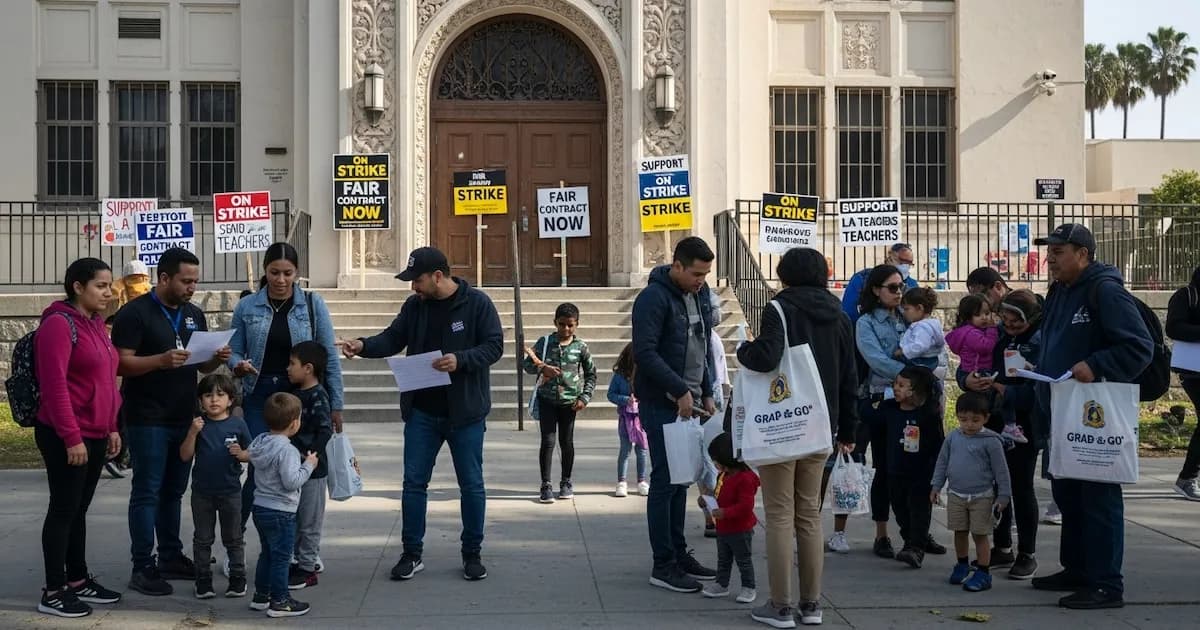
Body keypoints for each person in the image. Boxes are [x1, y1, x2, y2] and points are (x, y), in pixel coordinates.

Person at [340, 247, 503, 583]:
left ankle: (472, 552)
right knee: (414, 484)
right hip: (422, 413)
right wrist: (363, 345)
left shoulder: (477, 304)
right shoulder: (415, 306)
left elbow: (494, 346)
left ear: (438, 277)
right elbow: (393, 338)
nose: (412, 286)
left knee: (471, 485)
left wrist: (461, 360)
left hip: (465, 414)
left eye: (417, 280)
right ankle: (411, 553)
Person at [1027, 224, 1152, 610]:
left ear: (1082, 253)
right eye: (1049, 250)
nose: (1050, 258)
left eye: (1059, 251)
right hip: (1061, 412)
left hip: (1092, 416)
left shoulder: (1106, 291)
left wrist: (1096, 364)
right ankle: (1078, 569)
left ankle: (1105, 584)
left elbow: (1138, 347)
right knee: (1069, 496)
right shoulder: (1060, 290)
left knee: (1098, 499)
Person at [736, 247, 858, 627]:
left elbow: (767, 357)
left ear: (785, 273)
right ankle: (812, 604)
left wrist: (744, 348)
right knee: (809, 515)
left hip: (783, 422)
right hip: (823, 424)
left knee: (778, 515)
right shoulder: (839, 314)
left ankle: (780, 605)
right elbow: (850, 376)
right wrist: (848, 429)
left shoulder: (779, 308)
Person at [112, 247, 231, 596]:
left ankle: (170, 555)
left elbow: (200, 366)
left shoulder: (194, 314)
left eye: (195, 281)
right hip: (147, 416)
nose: (192, 287)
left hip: (184, 415)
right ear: (164, 278)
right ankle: (142, 565)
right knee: (147, 491)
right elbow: (120, 364)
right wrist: (160, 360)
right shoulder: (135, 313)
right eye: (186, 281)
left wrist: (215, 358)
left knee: (174, 492)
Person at [228, 242, 344, 533]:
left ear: (297, 273)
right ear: (265, 271)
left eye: (287, 273)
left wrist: (336, 403)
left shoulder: (313, 305)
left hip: (299, 396)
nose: (280, 280)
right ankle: (235, 542)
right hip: (259, 392)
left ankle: (294, 543)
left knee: (298, 469)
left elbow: (327, 356)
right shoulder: (247, 306)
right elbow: (233, 350)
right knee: (259, 466)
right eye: (274, 272)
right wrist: (237, 364)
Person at [34, 258, 123, 618]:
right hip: (65, 434)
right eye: (101, 285)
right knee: (63, 509)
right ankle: (53, 590)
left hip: (96, 431)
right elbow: (54, 387)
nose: (109, 292)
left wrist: (112, 426)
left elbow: (106, 380)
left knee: (79, 510)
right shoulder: (58, 324)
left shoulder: (97, 325)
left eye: (109, 285)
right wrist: (72, 437)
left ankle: (77, 579)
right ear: (78, 287)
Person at [631, 236, 719, 593]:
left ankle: (679, 553)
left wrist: (708, 389)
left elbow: (703, 344)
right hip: (662, 403)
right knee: (665, 481)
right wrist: (679, 389)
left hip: (692, 403)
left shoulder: (697, 295)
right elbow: (645, 352)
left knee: (682, 480)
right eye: (697, 273)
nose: (702, 280)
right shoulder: (653, 298)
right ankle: (663, 563)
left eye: (706, 274)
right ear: (677, 265)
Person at [986, 289, 1045, 579]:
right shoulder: (1003, 338)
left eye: (1015, 322)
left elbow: (1038, 389)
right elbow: (994, 368)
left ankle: (1027, 553)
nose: (1008, 325)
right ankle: (1002, 546)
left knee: (1021, 487)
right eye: (1004, 319)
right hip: (999, 417)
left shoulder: (1040, 342)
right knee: (998, 484)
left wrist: (1007, 391)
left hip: (1025, 423)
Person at [854, 265, 910, 559]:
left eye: (901, 286)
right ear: (876, 290)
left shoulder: (908, 315)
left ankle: (916, 532)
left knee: (915, 467)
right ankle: (882, 533)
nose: (899, 292)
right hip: (882, 399)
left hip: (913, 399)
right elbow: (876, 359)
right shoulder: (866, 323)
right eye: (892, 287)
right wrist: (912, 373)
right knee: (885, 468)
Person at [931, 391, 1012, 593]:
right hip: (956, 494)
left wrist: (1004, 496)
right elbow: (942, 463)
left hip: (982, 496)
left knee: (980, 534)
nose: (969, 424)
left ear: (986, 418)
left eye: (975, 420)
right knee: (959, 531)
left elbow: (1001, 471)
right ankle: (961, 563)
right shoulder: (952, 438)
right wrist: (936, 486)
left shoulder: (992, 441)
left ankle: (983, 572)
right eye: (964, 419)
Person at [179, 374, 251, 600]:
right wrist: (192, 433)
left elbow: (252, 453)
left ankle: (237, 578)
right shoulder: (198, 424)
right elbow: (184, 455)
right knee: (202, 538)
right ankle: (203, 579)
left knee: (234, 537)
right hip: (202, 493)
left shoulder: (238, 424)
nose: (214, 400)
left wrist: (241, 454)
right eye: (208, 395)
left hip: (230, 491)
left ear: (230, 400)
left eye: (220, 395)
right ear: (200, 400)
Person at [246, 393, 316, 617]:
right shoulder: (288, 450)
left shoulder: (260, 442)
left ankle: (261, 595)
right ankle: (280, 601)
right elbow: (291, 481)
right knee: (282, 558)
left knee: (267, 553)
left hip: (260, 506)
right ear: (295, 423)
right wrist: (309, 466)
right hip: (281, 511)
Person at [522, 302, 598, 503]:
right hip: (547, 400)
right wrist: (542, 369)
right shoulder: (545, 342)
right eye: (562, 324)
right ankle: (545, 484)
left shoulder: (581, 347)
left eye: (570, 325)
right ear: (555, 322)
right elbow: (527, 365)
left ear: (577, 325)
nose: (566, 329)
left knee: (566, 442)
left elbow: (591, 374)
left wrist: (585, 397)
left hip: (569, 403)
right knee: (547, 442)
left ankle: (566, 481)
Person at [880, 367, 944, 569]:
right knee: (900, 509)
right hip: (895, 470)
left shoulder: (928, 415)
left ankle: (916, 547)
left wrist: (937, 475)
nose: (895, 389)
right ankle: (911, 539)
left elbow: (938, 445)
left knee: (919, 510)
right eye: (895, 384)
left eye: (901, 385)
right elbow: (868, 416)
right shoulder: (889, 409)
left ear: (916, 391)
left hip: (921, 473)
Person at [285, 341, 334, 589]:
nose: (287, 368)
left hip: (313, 471)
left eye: (292, 364)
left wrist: (311, 456)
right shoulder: (293, 394)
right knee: (294, 518)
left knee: (309, 521)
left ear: (308, 368)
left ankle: (307, 568)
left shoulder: (318, 395)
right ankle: (296, 561)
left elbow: (325, 429)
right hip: (294, 468)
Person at [947, 295, 1026, 445]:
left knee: (999, 400)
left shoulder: (971, 331)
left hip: (982, 372)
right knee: (995, 402)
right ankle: (1007, 428)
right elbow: (986, 346)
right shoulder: (973, 332)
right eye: (979, 315)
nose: (985, 318)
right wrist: (992, 330)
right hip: (981, 372)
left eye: (987, 313)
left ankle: (1004, 430)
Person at [701, 433, 759, 606]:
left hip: (740, 529)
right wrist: (708, 499)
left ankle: (749, 587)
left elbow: (745, 506)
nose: (715, 464)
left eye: (716, 460)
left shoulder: (745, 479)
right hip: (723, 528)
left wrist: (725, 513)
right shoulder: (723, 476)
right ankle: (721, 584)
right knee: (723, 559)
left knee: (743, 560)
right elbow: (719, 495)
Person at [1163, 267, 1200, 501]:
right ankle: (1187, 478)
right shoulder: (1186, 296)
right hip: (1193, 370)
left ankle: (1188, 477)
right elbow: (1173, 327)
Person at [608, 343, 648, 498]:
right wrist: (625, 399)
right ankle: (622, 482)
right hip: (626, 417)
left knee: (642, 450)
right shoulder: (619, 376)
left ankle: (641, 481)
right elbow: (611, 394)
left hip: (642, 417)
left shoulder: (645, 374)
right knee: (625, 450)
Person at [841, 243, 918, 324]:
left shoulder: (912, 284)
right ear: (890, 258)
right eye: (902, 261)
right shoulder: (863, 278)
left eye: (910, 263)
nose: (898, 292)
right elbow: (848, 312)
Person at [895, 287, 947, 375]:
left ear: (919, 308)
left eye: (907, 309)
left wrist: (903, 351)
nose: (904, 313)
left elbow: (920, 346)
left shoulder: (922, 327)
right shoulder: (932, 324)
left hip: (919, 361)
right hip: (931, 360)